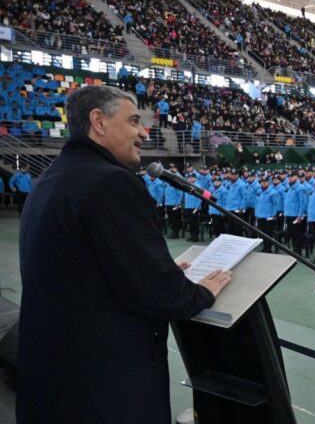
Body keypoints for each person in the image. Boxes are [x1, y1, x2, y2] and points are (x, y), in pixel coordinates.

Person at [17, 85, 232, 423]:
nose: (144, 132)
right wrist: (199, 291)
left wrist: (152, 267)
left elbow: (86, 269)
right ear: (98, 121)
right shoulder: (110, 182)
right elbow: (157, 294)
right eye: (134, 121)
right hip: (102, 385)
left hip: (56, 377)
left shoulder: (49, 178)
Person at [163, 163, 183, 239]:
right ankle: (173, 232)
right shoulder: (170, 177)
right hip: (168, 202)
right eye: (170, 168)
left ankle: (175, 233)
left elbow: (180, 193)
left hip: (175, 203)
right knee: (171, 219)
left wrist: (178, 204)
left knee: (175, 220)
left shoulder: (177, 178)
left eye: (172, 168)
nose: (171, 169)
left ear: (176, 168)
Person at [183, 173, 203, 242]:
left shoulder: (198, 186)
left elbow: (200, 198)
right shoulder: (187, 185)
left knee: (195, 223)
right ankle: (192, 235)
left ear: (195, 178)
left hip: (194, 208)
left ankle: (195, 237)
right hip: (188, 206)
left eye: (192, 177)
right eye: (189, 177)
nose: (190, 178)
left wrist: (197, 207)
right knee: (190, 222)